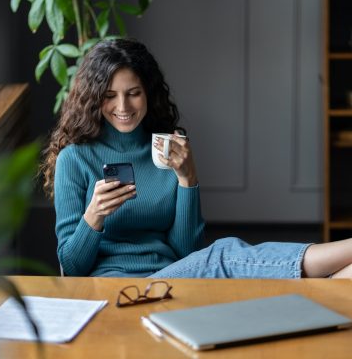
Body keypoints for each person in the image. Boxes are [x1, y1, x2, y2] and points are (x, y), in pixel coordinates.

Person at [41, 38, 352, 279]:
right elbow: (73, 268)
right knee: (224, 254)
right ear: (95, 98)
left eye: (133, 92)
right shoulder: (75, 159)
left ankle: (332, 283)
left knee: (226, 261)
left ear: (148, 92)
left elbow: (187, 251)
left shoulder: (167, 150)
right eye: (110, 95)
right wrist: (94, 215)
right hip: (114, 287)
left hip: (172, 279)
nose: (123, 105)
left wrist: (188, 179)